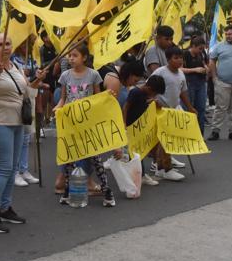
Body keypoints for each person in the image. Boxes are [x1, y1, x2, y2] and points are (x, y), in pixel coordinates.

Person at [0, 33, 46, 233]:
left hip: (17, 122)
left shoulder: (15, 67)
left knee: (12, 167)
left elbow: (24, 92)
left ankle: (5, 208)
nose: (5, 47)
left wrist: (36, 81)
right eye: (0, 44)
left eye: (8, 43)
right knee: (5, 168)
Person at [55, 44, 115, 207]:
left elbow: (97, 97)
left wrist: (107, 96)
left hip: (88, 123)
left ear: (84, 58)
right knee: (69, 157)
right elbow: (63, 98)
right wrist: (58, 108)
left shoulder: (93, 75)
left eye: (75, 55)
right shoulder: (65, 75)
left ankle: (107, 191)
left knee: (95, 158)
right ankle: (69, 191)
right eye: (70, 56)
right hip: (71, 123)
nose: (71, 58)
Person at [151, 47, 193, 181]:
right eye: (176, 58)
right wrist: (154, 102)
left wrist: (190, 107)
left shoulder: (181, 74)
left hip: (174, 110)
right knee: (164, 140)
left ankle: (161, 167)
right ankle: (165, 168)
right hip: (160, 110)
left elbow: (183, 92)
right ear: (168, 59)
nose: (179, 60)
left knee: (169, 140)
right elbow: (149, 87)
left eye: (181, 57)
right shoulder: (160, 72)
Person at [123, 74, 167, 187]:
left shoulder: (147, 95)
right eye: (155, 93)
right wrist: (123, 123)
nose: (154, 95)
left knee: (138, 152)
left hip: (140, 128)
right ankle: (139, 176)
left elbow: (155, 107)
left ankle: (138, 175)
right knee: (136, 152)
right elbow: (126, 107)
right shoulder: (136, 92)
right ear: (149, 89)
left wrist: (154, 102)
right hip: (131, 126)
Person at [10, 39, 41, 187]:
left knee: (27, 137)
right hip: (18, 101)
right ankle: (15, 172)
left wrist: (39, 77)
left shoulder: (33, 60)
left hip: (30, 99)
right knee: (19, 137)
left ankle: (24, 169)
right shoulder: (13, 61)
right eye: (23, 44)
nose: (26, 47)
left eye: (29, 44)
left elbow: (34, 82)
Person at [208, 24, 232, 141]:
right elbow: (212, 61)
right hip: (223, 82)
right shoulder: (219, 46)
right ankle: (215, 131)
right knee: (220, 108)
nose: (227, 36)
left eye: (230, 34)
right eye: (226, 34)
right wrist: (214, 78)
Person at [182, 37, 209, 135]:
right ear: (193, 46)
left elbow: (204, 63)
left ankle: (200, 134)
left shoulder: (201, 54)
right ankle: (188, 133)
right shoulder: (185, 54)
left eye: (202, 49)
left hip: (201, 83)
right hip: (189, 83)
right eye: (199, 49)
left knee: (201, 108)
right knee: (189, 108)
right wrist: (195, 70)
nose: (201, 51)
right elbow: (180, 69)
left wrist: (206, 68)